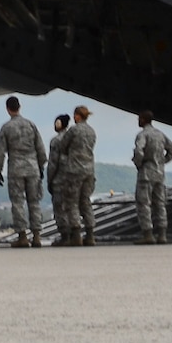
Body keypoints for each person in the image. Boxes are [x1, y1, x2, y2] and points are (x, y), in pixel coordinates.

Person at [0, 95, 47, 248]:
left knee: (17, 203)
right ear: (19, 107)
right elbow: (41, 149)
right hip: (33, 167)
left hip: (16, 168)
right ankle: (36, 236)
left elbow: (1, 151)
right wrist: (41, 166)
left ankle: (22, 236)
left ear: (8, 109)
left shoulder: (6, 128)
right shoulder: (31, 125)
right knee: (34, 202)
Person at [131, 110, 172, 244]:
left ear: (143, 120)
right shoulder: (160, 134)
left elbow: (138, 151)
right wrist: (162, 161)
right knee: (160, 204)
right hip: (160, 173)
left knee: (144, 203)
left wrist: (138, 163)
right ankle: (162, 234)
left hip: (146, 173)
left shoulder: (142, 135)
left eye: (139, 119)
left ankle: (148, 234)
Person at [54, 105, 98, 245]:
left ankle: (76, 235)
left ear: (78, 116)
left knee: (72, 202)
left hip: (74, 170)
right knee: (85, 202)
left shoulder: (73, 130)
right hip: (89, 170)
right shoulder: (92, 131)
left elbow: (63, 147)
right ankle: (90, 235)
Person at [47, 114, 79, 246]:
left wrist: (50, 179)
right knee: (72, 206)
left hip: (60, 179)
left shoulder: (56, 141)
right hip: (74, 177)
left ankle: (65, 236)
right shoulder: (74, 138)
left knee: (59, 208)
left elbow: (53, 163)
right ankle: (75, 234)